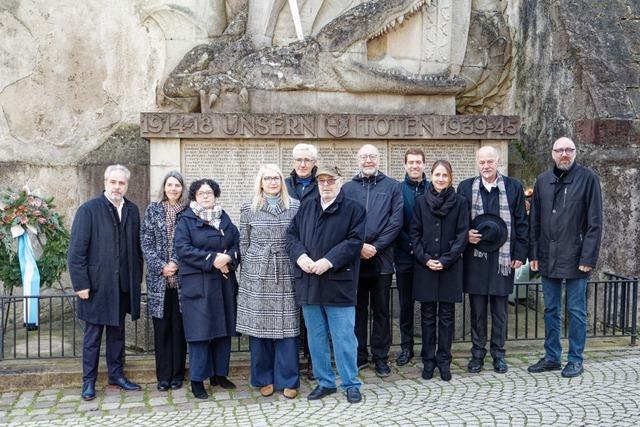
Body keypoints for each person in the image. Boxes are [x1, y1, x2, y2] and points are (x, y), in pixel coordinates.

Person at [286, 165, 366, 404]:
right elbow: (291, 236)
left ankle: (351, 383)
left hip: (338, 284)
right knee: (316, 338)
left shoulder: (353, 209)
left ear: (340, 182)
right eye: (321, 181)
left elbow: (354, 241)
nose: (326, 185)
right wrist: (301, 257)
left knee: (343, 338)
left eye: (330, 181)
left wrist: (328, 261)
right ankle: (325, 382)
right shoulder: (307, 207)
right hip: (309, 282)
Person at [528, 137, 603, 378]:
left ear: (575, 152)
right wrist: (534, 253)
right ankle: (552, 356)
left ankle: (575, 358)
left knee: (576, 310)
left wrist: (588, 257)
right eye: (559, 150)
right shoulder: (542, 181)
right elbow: (535, 221)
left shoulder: (588, 179)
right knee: (550, 309)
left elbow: (595, 223)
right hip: (548, 256)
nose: (564, 154)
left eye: (568, 150)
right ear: (552, 154)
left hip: (576, 256)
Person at [68, 164, 143, 401]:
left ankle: (116, 375)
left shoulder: (132, 210)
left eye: (122, 183)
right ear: (105, 183)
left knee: (117, 334)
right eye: (113, 182)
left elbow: (135, 250)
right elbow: (76, 252)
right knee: (92, 338)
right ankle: (88, 381)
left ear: (126, 185)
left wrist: (134, 281)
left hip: (121, 286)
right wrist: (81, 284)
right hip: (96, 286)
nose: (117, 187)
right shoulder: (88, 210)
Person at [457, 146, 528, 374]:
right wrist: (465, 234)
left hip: (502, 258)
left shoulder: (513, 187)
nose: (486, 166)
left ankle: (498, 354)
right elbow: (458, 221)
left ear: (498, 162)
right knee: (477, 310)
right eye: (482, 162)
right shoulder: (465, 187)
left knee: (500, 310)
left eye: (490, 162)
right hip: (475, 256)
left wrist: (519, 254)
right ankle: (477, 354)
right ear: (477, 163)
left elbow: (521, 223)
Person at [237, 164, 301, 399]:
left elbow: (299, 237)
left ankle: (288, 379)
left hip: (285, 267)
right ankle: (263, 378)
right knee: (259, 327)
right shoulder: (248, 207)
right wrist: (248, 271)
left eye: (277, 178)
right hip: (258, 271)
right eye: (268, 178)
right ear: (260, 182)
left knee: (288, 327)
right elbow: (243, 242)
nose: (273, 182)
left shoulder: (294, 206)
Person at [174, 178, 240, 399]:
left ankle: (219, 374)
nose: (205, 196)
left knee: (222, 331)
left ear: (215, 195)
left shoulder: (225, 218)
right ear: (194, 196)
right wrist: (212, 259)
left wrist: (229, 258)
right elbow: (183, 249)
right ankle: (197, 380)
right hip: (198, 285)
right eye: (201, 193)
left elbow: (236, 243)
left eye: (209, 193)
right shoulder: (186, 220)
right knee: (200, 334)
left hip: (223, 283)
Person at [341, 144, 403, 377]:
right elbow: (343, 222)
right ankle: (359, 355)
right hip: (354, 261)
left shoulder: (393, 186)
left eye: (373, 157)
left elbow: (396, 222)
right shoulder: (347, 188)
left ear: (379, 160)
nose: (368, 160)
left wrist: (375, 247)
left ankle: (380, 356)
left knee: (381, 311)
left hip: (382, 260)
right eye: (364, 156)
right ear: (358, 159)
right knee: (356, 310)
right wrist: (358, 247)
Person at [411, 160, 469, 381]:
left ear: (450, 177)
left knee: (446, 317)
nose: (441, 179)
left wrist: (446, 260)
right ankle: (428, 361)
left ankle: (444, 361)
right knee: (427, 316)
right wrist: (426, 259)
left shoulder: (460, 202)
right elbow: (414, 234)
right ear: (431, 176)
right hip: (425, 267)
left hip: (449, 268)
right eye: (437, 175)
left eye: (445, 175)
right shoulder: (420, 202)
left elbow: (462, 235)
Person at [140, 171, 188, 391]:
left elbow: (189, 241)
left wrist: (176, 263)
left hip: (181, 281)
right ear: (164, 187)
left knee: (179, 330)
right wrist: (162, 266)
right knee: (162, 331)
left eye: (177, 185)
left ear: (182, 188)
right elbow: (145, 241)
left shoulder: (188, 211)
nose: (173, 189)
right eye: (170, 185)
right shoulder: (153, 210)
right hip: (159, 281)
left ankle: (178, 374)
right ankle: (163, 377)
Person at [283, 143, 318, 379]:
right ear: (293, 162)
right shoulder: (284, 186)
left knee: (313, 314)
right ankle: (291, 361)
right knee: (291, 312)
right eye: (299, 160)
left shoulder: (322, 184)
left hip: (315, 259)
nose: (303, 164)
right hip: (289, 256)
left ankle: (314, 361)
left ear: (314, 163)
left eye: (307, 160)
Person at [394, 148, 427, 366]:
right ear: (405, 165)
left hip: (426, 257)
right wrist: (411, 245)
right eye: (411, 162)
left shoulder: (433, 187)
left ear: (424, 165)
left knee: (427, 304)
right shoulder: (397, 190)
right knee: (406, 305)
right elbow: (395, 222)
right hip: (405, 255)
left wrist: (422, 248)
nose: (415, 166)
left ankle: (428, 348)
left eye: (418, 162)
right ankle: (407, 347)